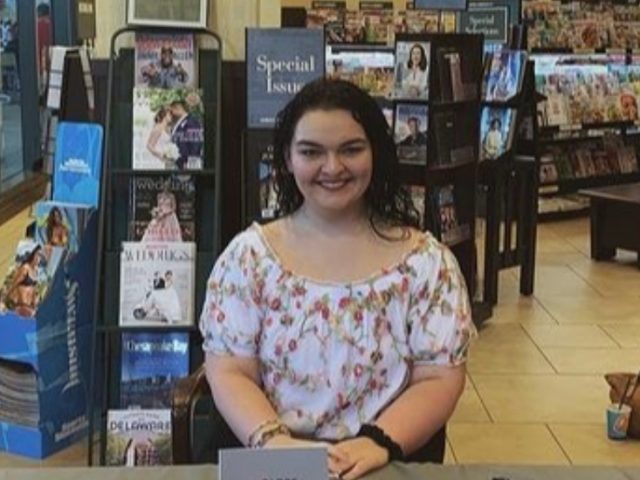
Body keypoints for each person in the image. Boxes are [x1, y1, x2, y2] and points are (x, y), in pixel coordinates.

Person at [199, 79, 475, 479]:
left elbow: (439, 378)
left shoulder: (427, 264)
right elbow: (229, 370)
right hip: (272, 459)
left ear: (376, 153)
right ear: (288, 159)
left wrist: (376, 443)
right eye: (311, 152)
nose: (332, 167)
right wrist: (276, 443)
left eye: (351, 149)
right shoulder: (249, 258)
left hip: (382, 460)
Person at [4, 245, 43, 317]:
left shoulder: (35, 272)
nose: (39, 258)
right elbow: (14, 284)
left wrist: (35, 303)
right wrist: (6, 299)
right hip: (21, 306)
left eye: (41, 256)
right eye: (38, 255)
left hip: (30, 308)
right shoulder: (25, 268)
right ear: (33, 255)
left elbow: (34, 290)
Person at [169, 100, 204, 170]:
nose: (171, 113)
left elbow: (196, 144)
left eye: (171, 111)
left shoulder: (191, 122)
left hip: (188, 164)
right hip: (181, 163)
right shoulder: (179, 122)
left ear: (178, 108)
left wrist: (190, 163)